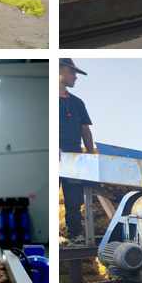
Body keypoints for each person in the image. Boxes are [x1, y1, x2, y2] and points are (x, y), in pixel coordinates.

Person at [59, 58, 95, 242]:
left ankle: (75, 233)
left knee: (73, 198)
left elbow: (85, 130)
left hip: (73, 156)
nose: (76, 77)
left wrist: (90, 155)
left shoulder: (77, 103)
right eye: (73, 72)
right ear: (61, 70)